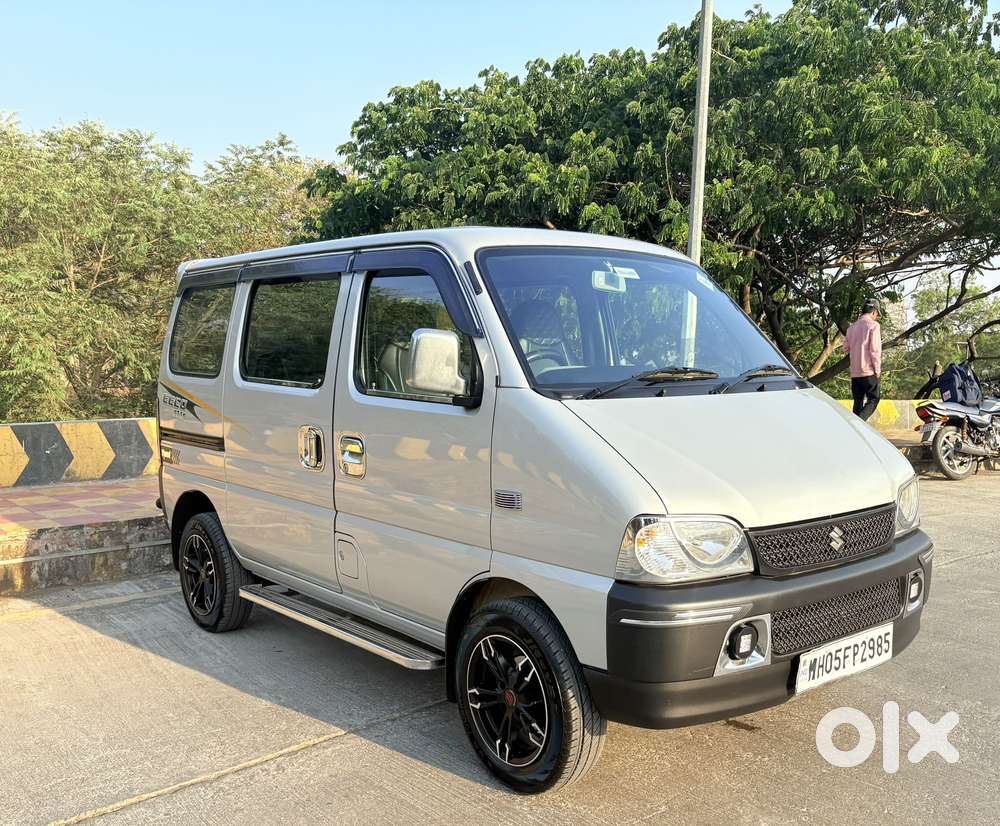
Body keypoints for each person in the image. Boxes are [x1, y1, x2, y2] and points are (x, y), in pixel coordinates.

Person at [843, 299, 883, 421]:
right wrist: (877, 369)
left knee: (858, 402)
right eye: (877, 314)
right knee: (874, 399)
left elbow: (845, 348)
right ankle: (858, 423)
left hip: (855, 373)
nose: (876, 317)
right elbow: (875, 350)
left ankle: (855, 432)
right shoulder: (874, 326)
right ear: (874, 312)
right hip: (868, 371)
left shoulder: (851, 328)